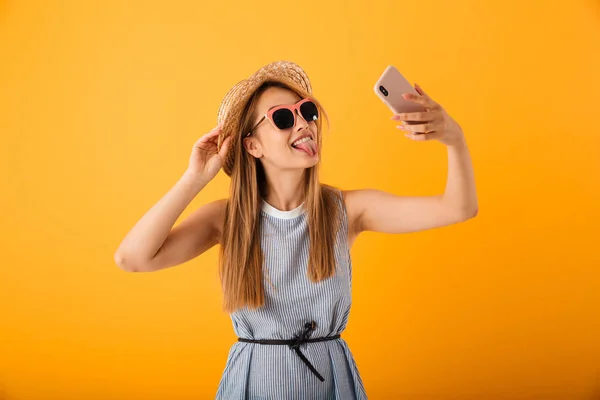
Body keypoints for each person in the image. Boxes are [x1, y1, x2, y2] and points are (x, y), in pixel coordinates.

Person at [114, 60, 478, 399]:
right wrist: (194, 179)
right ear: (252, 145)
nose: (304, 123)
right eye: (283, 118)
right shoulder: (226, 220)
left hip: (331, 382)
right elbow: (132, 258)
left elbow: (459, 207)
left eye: (307, 111)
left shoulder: (347, 211)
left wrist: (455, 139)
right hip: (253, 384)